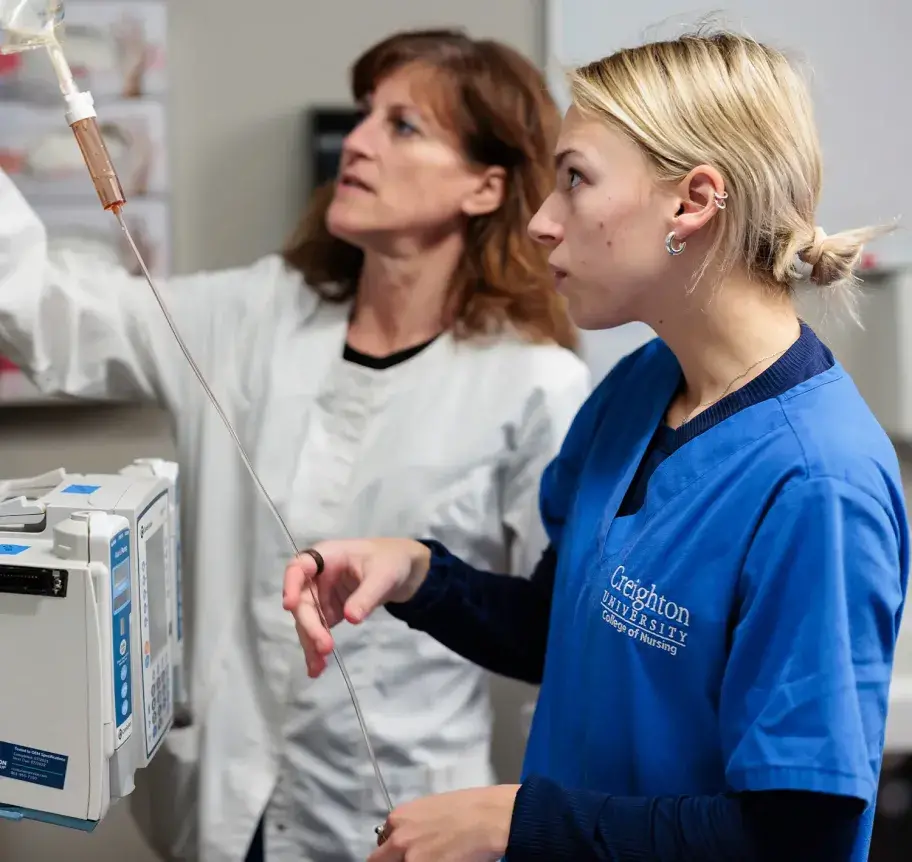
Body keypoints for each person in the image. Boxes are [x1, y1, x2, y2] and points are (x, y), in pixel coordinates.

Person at [283, 28, 910, 862]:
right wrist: (419, 574)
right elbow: (562, 630)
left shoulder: (817, 482)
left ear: (692, 202)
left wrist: (515, 823)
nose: (541, 223)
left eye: (574, 180)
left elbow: (800, 837)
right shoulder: (643, 386)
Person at [0, 28, 591, 862]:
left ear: (486, 187)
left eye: (403, 126)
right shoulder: (254, 314)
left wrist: (542, 829)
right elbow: (50, 311)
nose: (356, 141)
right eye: (363, 117)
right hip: (220, 811)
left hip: (402, 822)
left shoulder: (535, 387)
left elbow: (562, 647)